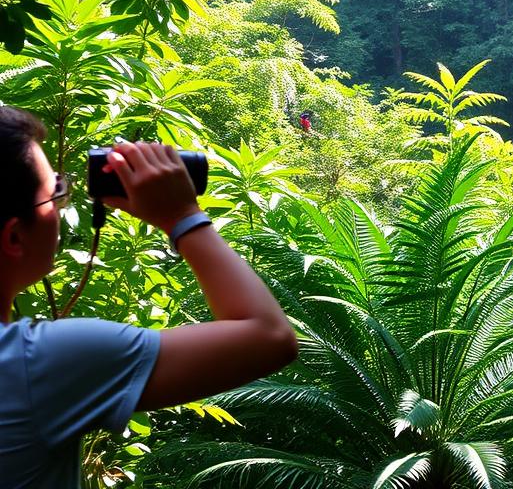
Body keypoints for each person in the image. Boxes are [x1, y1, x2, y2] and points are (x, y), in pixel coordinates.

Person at [0, 106, 298, 487]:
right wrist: (183, 216)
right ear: (13, 236)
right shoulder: (39, 363)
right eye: (56, 192)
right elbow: (269, 337)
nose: (62, 205)